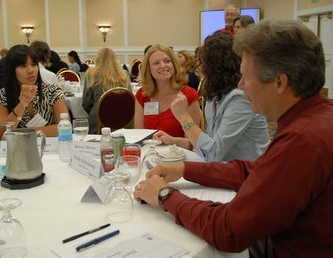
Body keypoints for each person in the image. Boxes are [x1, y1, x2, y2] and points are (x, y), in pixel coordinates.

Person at [134, 19, 333, 258]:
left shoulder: (303, 140)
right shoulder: (315, 118)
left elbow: (228, 230)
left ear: (280, 82)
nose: (240, 86)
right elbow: (255, 170)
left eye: (246, 77)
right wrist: (185, 169)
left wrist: (165, 195)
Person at [154, 32, 269, 162]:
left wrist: (183, 117)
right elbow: (207, 143)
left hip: (250, 174)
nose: (198, 66)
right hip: (226, 168)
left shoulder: (240, 98)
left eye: (202, 61)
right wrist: (174, 141)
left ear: (215, 66)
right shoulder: (214, 95)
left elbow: (213, 154)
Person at [0, 45, 68, 138]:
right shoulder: (3, 95)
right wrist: (22, 105)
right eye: (23, 66)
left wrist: (17, 132)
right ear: (12, 70)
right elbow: (0, 133)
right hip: (20, 149)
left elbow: (64, 127)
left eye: (33, 65)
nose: (30, 70)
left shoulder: (52, 91)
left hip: (49, 148)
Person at [134, 44, 202, 138]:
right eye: (156, 63)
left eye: (167, 61)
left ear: (174, 65)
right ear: (149, 69)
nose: (163, 66)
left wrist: (171, 140)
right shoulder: (143, 95)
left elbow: (193, 143)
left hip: (180, 152)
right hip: (150, 151)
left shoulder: (188, 95)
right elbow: (139, 135)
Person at [82, 47, 131, 134]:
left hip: (98, 121)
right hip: (122, 118)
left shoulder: (91, 74)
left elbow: (86, 103)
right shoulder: (124, 75)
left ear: (98, 58)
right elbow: (130, 98)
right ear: (114, 59)